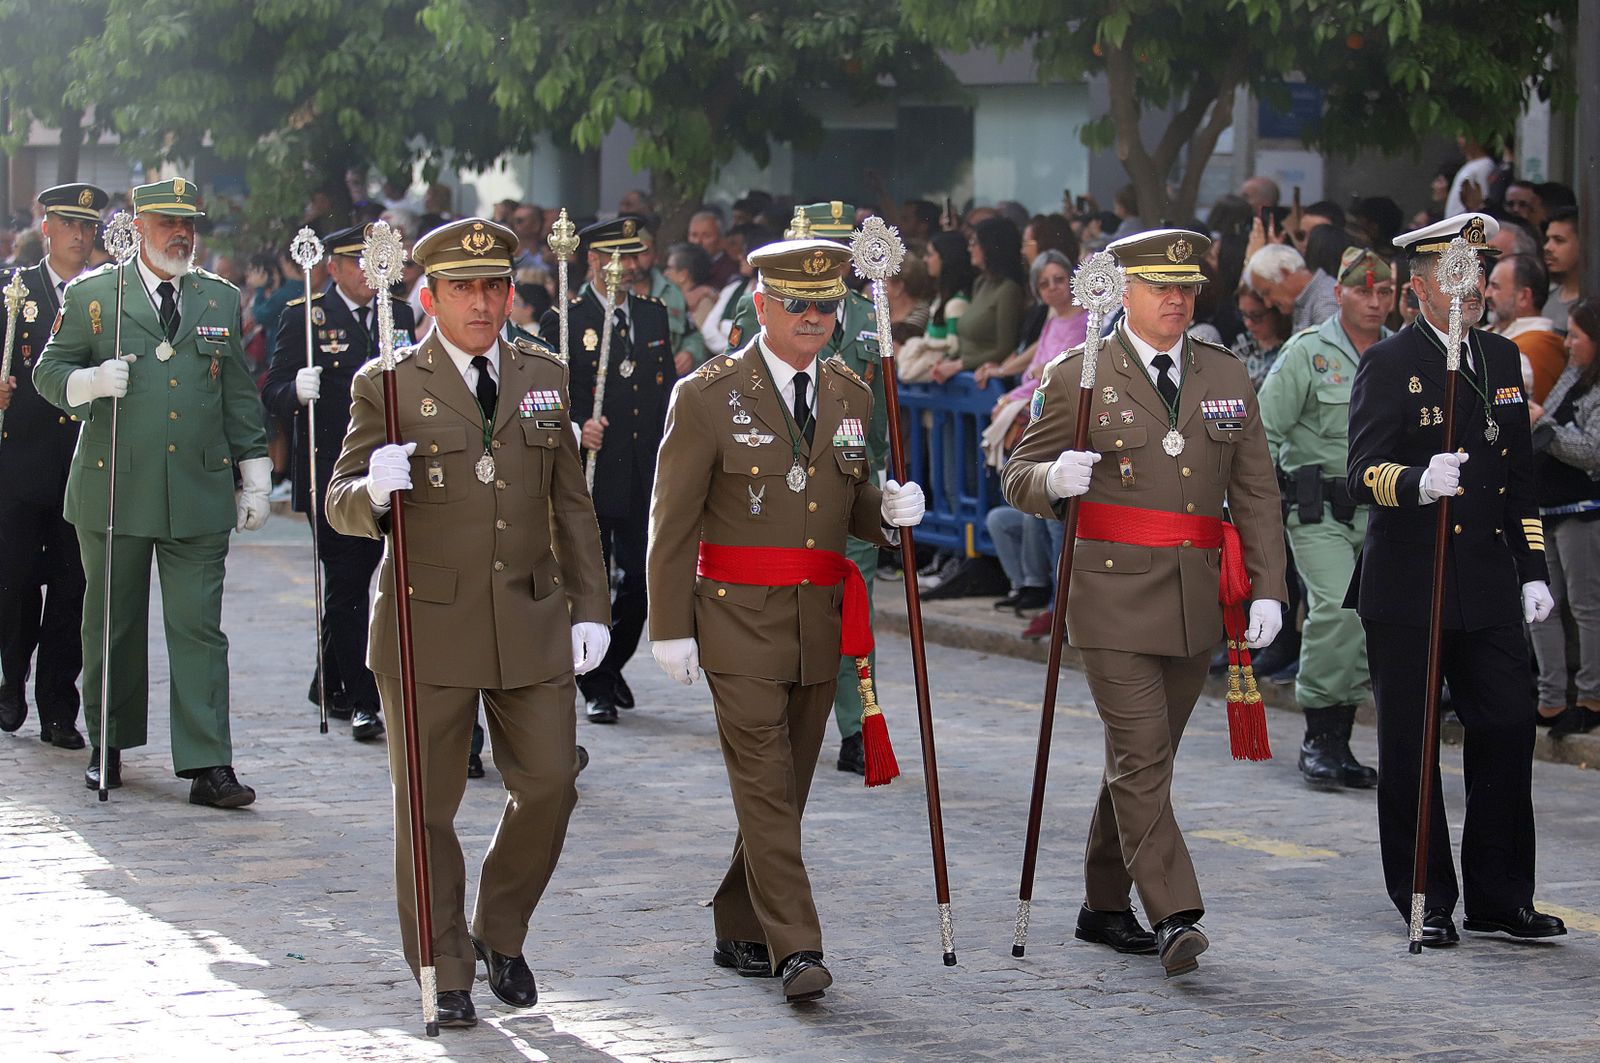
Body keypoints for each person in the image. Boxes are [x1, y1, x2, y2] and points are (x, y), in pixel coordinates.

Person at [324, 217, 611, 1028]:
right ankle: (444, 966)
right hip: (427, 621)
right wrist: (374, 488)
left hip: (528, 613)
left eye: (493, 287)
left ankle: (498, 929)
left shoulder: (545, 373)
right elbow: (338, 502)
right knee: (427, 808)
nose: (481, 303)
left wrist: (592, 606)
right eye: (463, 289)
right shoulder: (387, 382)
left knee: (551, 784)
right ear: (430, 296)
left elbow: (570, 504)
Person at [1002, 228, 1287, 977]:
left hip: (1197, 596)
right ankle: (1175, 911)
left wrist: (1269, 587)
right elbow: (1018, 471)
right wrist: (1051, 480)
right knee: (1140, 753)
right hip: (1111, 592)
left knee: (1142, 762)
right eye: (1161, 286)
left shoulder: (1225, 373)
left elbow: (1256, 490)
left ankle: (1102, 902)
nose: (1176, 299)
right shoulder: (1079, 373)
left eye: (1187, 287)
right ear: (1122, 290)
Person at [646, 236, 924, 1003]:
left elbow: (851, 497)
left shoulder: (849, 392)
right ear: (760, 305)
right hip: (735, 618)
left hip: (816, 622)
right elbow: (672, 522)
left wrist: (891, 513)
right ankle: (796, 945)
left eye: (827, 303)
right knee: (766, 785)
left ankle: (738, 917)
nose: (813, 316)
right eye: (797, 302)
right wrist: (668, 624)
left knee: (787, 787)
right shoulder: (705, 394)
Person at [1345, 212, 1565, 947]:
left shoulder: (1501, 359)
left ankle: (1500, 895)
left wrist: (1532, 568)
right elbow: (1361, 475)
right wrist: (1415, 481)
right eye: (1452, 274)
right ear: (1419, 287)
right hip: (1410, 581)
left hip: (1485, 579)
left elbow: (1521, 482)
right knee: (1411, 746)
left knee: (1506, 723)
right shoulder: (1388, 361)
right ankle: (1424, 894)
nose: (1468, 287)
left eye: (1475, 272)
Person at [33, 177, 272, 806]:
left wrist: (254, 472)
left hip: (197, 488)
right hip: (116, 483)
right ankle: (107, 744)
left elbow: (236, 393)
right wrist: (87, 381)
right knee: (111, 622)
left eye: (189, 221)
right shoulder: (94, 295)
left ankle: (207, 763)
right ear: (138, 225)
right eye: (167, 221)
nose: (181, 232)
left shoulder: (218, 299)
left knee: (199, 628)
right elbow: (47, 372)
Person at [723, 203, 891, 773]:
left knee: (852, 608)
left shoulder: (871, 318)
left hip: (848, 483)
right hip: (774, 493)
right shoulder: (762, 311)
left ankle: (856, 723)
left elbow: (881, 417)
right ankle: (782, 710)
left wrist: (885, 484)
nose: (818, 297)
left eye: (835, 269)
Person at [261, 223, 419, 742]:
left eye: (374, 260)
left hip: (389, 471)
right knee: (349, 582)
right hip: (332, 472)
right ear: (334, 267)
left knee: (369, 576)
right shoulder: (306, 318)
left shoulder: (396, 315)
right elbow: (273, 389)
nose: (367, 272)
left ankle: (329, 678)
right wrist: (296, 391)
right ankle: (360, 698)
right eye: (356, 261)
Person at [1259, 247, 1394, 789]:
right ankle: (1319, 738)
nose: (1374, 301)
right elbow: (1263, 431)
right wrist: (1255, 511)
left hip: (1384, 511)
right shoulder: (1307, 352)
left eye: (1384, 292)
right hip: (1318, 511)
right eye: (1363, 291)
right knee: (1339, 610)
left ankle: (1341, 740)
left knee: (1374, 623)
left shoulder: (1400, 353)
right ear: (1338, 295)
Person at [538, 216, 674, 724]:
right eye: (619, 257)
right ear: (593, 260)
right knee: (590, 579)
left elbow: (664, 391)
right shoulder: (567, 320)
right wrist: (576, 426)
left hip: (642, 471)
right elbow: (547, 393)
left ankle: (609, 664)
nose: (630, 266)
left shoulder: (652, 315)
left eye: (635, 255)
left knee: (641, 583)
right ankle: (594, 683)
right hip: (592, 471)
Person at [0, 183, 106, 746]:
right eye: (69, 224)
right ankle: (11, 677)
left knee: (72, 589)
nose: (80, 235)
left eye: (88, 226)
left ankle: (58, 708)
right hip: (21, 465)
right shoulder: (16, 292)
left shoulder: (106, 296)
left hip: (82, 464)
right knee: (14, 583)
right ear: (46, 227)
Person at [1527, 298, 1600, 737]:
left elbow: (1593, 450)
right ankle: (1550, 698)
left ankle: (1591, 696)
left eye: (1576, 334)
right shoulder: (1573, 374)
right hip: (1547, 509)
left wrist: (1545, 427)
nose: (1568, 342)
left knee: (1587, 606)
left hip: (1583, 512)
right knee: (1542, 607)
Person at [929, 217, 1024, 382]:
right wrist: (948, 359)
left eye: (974, 242)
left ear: (991, 247)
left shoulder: (1008, 290)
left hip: (986, 381)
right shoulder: (980, 283)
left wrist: (959, 365)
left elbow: (1004, 348)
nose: (969, 248)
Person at [1486, 252, 1566, 403]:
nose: (1486, 294)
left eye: (1495, 287)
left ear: (1523, 296)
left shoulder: (1538, 345)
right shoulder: (1492, 330)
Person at [635, 227, 706, 375]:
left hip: (664, 380)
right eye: (631, 252)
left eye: (644, 252)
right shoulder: (612, 291)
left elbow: (692, 335)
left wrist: (689, 352)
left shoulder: (673, 293)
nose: (636, 259)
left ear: (656, 256)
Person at [1245, 243, 1337, 331]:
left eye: (1267, 292)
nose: (1268, 304)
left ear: (1285, 273)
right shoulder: (1306, 303)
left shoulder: (1325, 303)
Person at [1542, 207, 1580, 333]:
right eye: (1548, 239)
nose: (1547, 247)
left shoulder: (1592, 302)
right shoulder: (1547, 297)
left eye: (1559, 240)